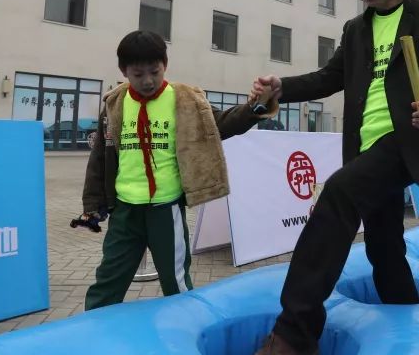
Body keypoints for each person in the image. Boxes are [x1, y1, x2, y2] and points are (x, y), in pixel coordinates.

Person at [236, 0, 419, 355]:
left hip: (410, 139)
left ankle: (294, 336)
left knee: (339, 193)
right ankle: (408, 319)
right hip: (366, 148)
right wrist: (282, 87)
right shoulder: (356, 29)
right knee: (384, 248)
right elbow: (329, 78)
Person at [78, 31, 274, 310]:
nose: (148, 80)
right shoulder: (114, 104)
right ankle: (92, 327)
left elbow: (222, 123)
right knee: (107, 281)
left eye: (154, 71)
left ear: (165, 65)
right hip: (124, 213)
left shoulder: (185, 100)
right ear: (124, 71)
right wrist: (92, 204)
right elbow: (99, 158)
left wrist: (256, 107)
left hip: (165, 211)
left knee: (176, 282)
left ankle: (187, 324)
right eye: (138, 74)